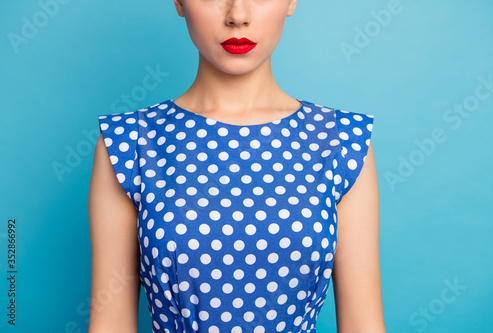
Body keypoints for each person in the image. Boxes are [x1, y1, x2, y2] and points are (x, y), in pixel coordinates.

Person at [88, 0, 386, 332]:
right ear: (178, 2)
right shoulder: (129, 143)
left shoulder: (341, 141)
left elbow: (364, 325)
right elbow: (110, 323)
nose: (238, 16)